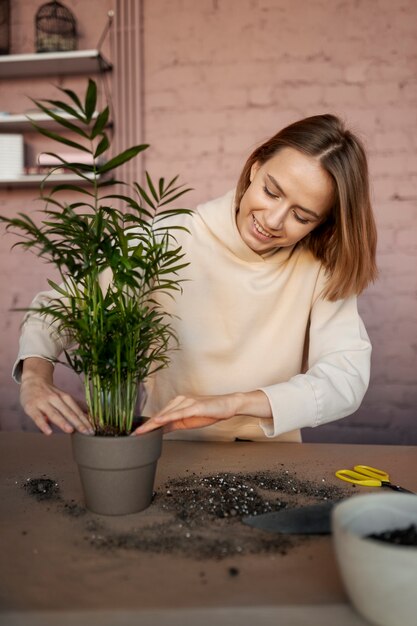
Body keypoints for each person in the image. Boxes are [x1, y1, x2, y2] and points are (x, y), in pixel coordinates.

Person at [14, 113, 377, 442]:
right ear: (254, 167)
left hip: (274, 460)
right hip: (165, 452)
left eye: (302, 215)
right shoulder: (166, 238)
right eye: (271, 191)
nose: (273, 220)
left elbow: (344, 379)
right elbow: (61, 305)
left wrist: (234, 403)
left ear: (324, 221)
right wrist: (35, 376)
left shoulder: (321, 269)